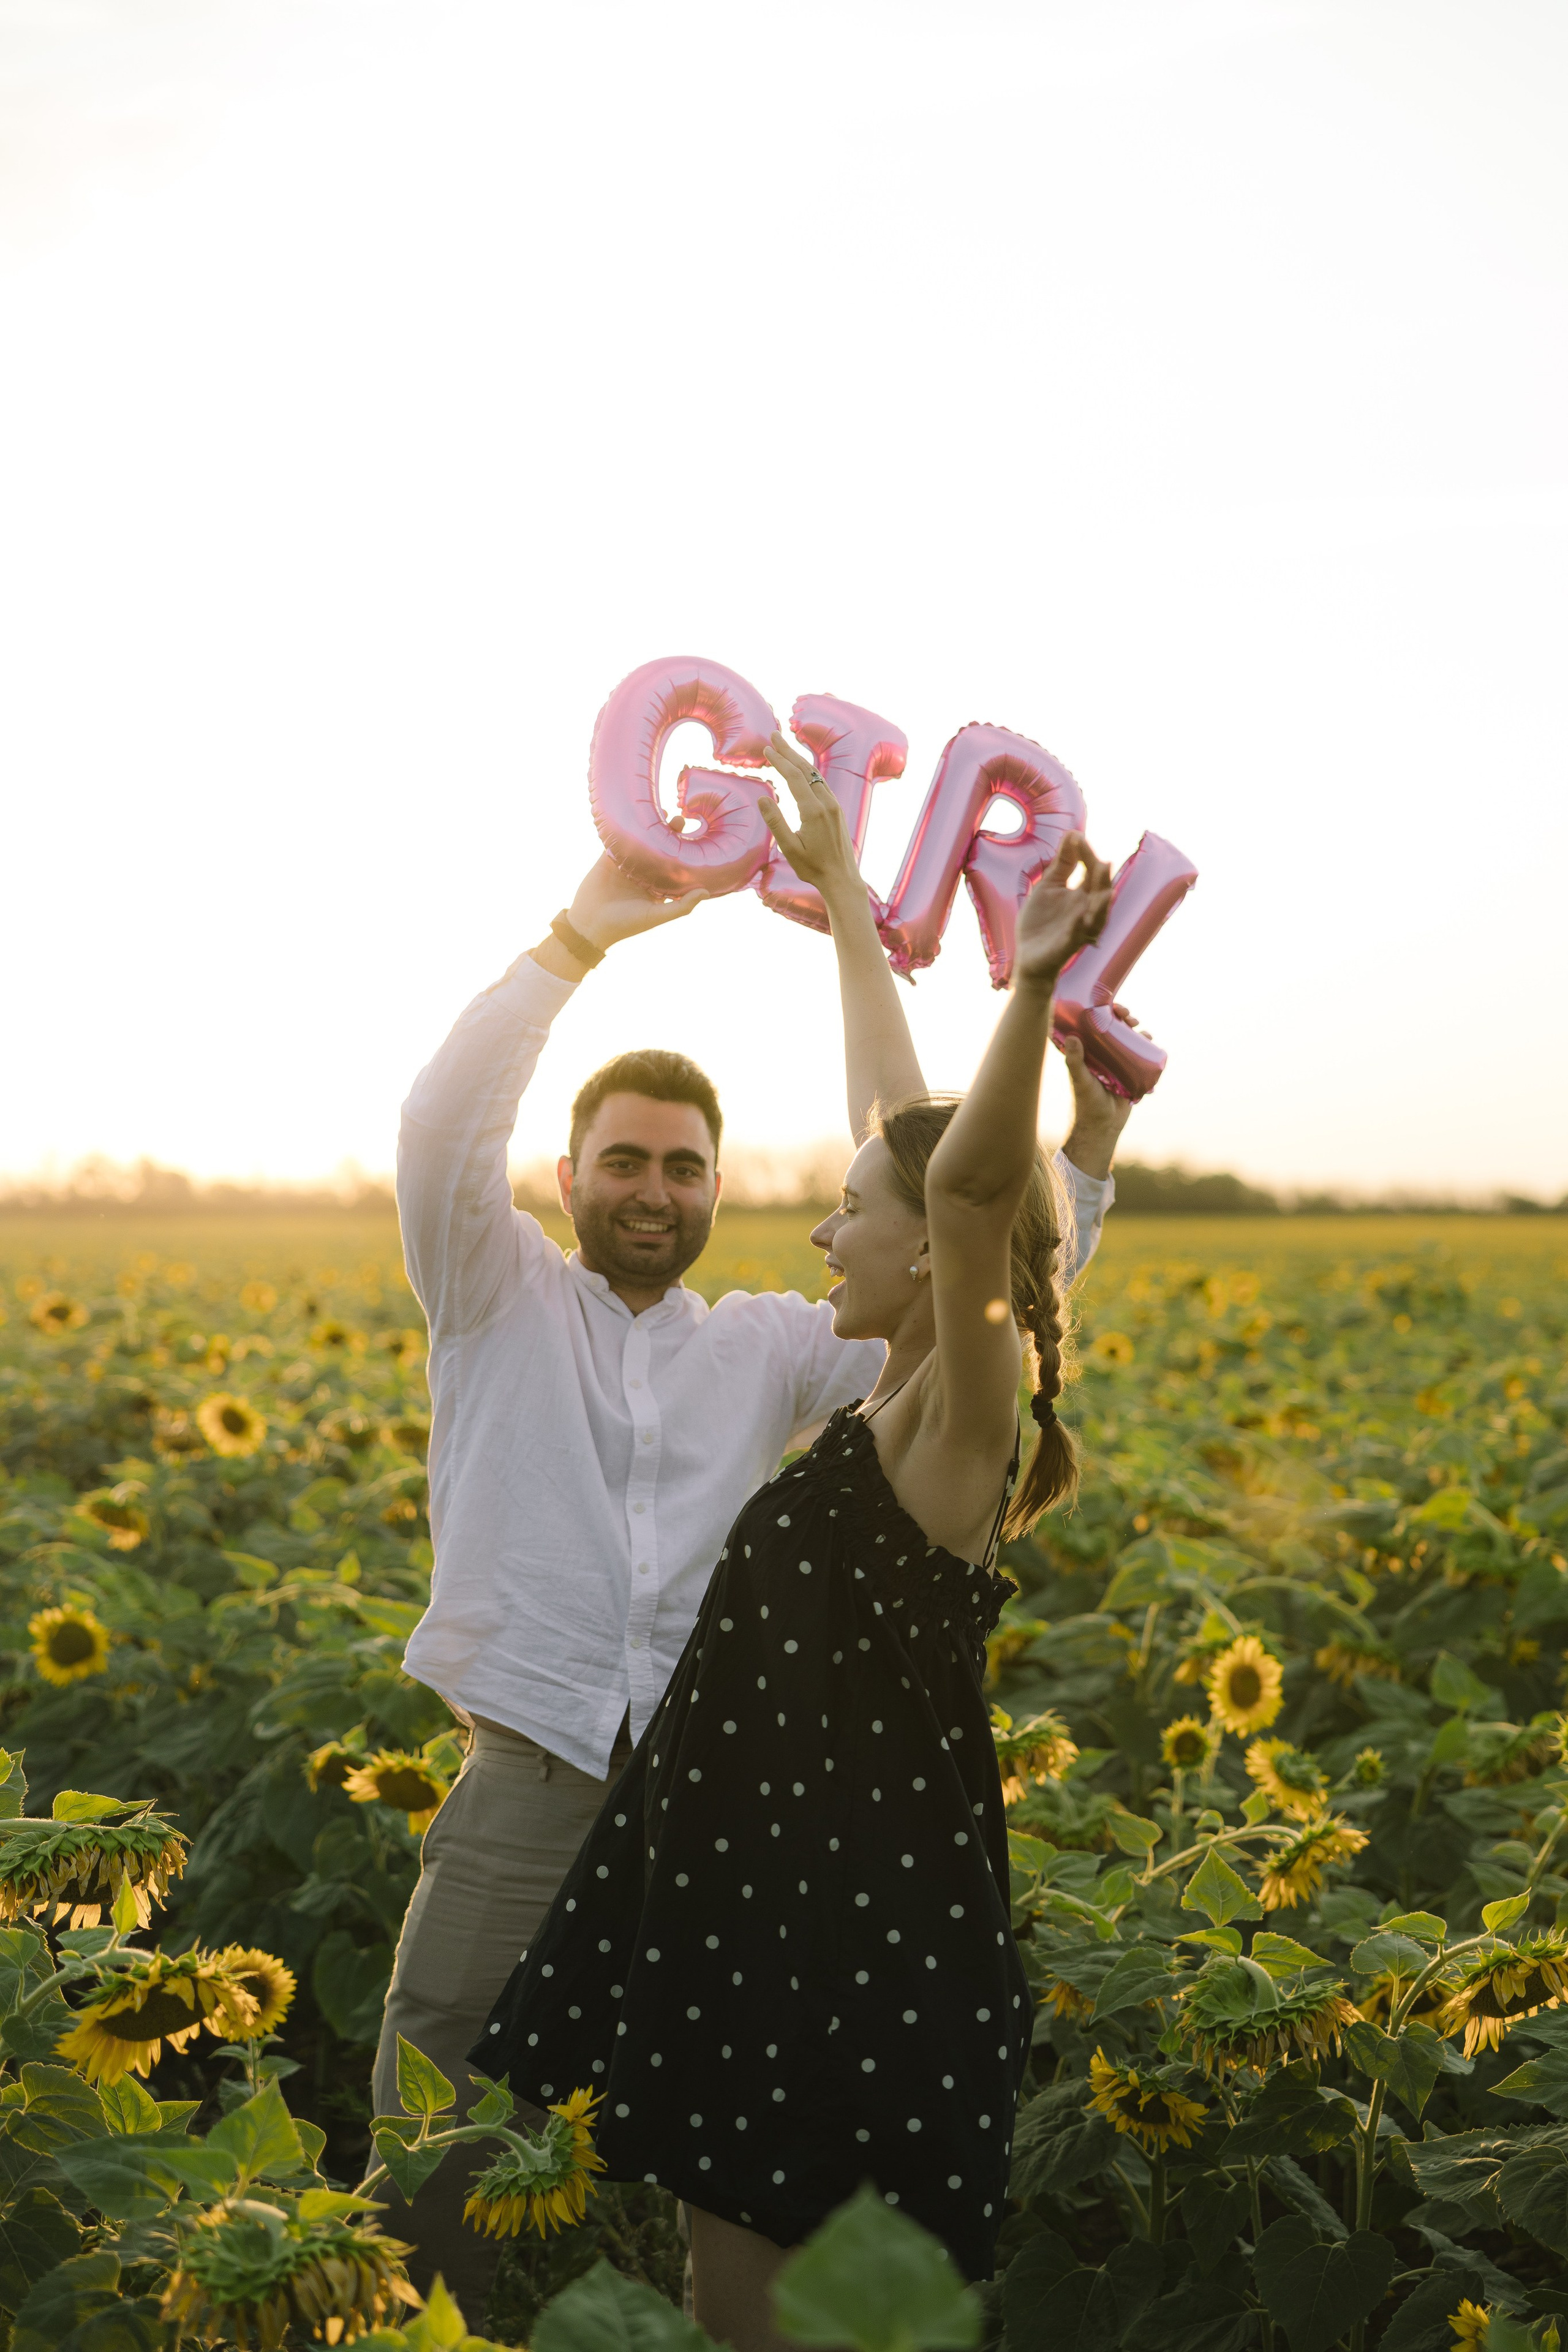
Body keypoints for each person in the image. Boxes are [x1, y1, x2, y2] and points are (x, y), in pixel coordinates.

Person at [377, 749, 1134, 2310]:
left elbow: (963, 1200)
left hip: (776, 1857)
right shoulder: (498, 1298)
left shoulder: (792, 1353)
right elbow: (919, 1159)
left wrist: (1015, 1026)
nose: (656, 1190)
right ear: (571, 1176)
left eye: (684, 1167)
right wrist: (614, 936)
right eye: (623, 1163)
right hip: (566, 1791)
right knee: (453, 2151)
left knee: (752, 2230)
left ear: (717, 1187)